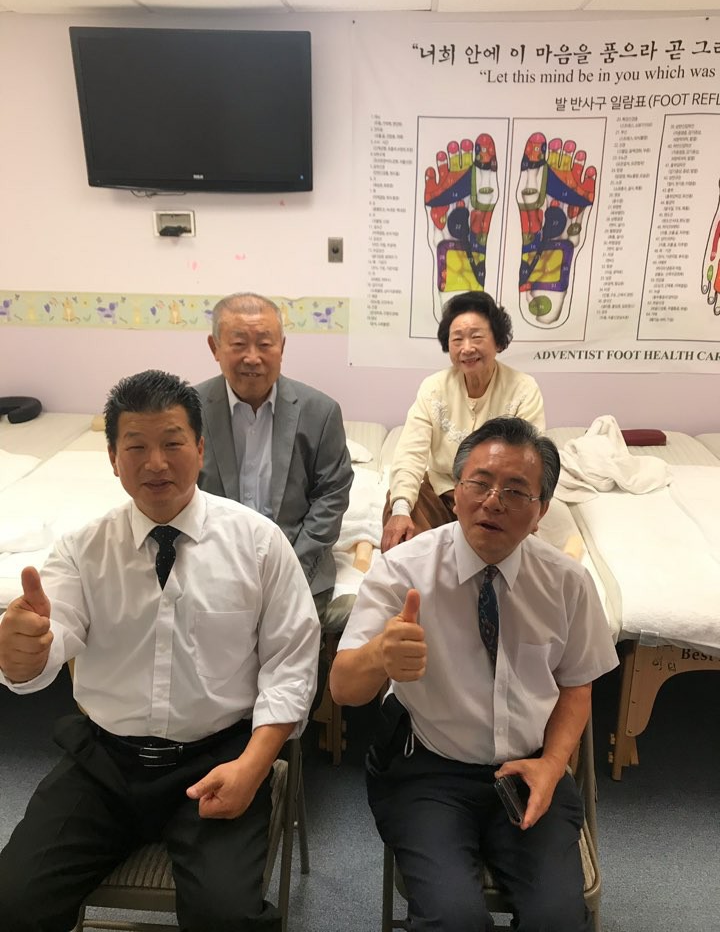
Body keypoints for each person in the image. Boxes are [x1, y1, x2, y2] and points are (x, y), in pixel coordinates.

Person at [0, 370, 320, 932]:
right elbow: (51, 641)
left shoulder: (257, 542)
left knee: (226, 918)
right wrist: (21, 655)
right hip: (104, 763)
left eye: (172, 443)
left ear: (200, 449)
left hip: (217, 758)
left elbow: (291, 665)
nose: (155, 464)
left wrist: (253, 766)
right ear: (112, 458)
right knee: (12, 903)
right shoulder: (82, 549)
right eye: (136, 447)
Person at [331, 416, 618, 932]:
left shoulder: (567, 583)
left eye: (516, 491)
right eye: (479, 484)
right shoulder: (403, 571)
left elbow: (576, 685)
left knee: (557, 920)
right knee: (453, 920)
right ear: (456, 493)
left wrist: (553, 764)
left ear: (541, 511)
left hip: (530, 769)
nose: (493, 502)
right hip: (429, 771)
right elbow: (342, 689)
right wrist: (379, 657)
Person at [196, 293, 353, 631]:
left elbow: (331, 497)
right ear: (215, 347)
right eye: (239, 344)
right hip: (209, 563)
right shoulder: (189, 410)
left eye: (265, 344)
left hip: (297, 561)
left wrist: (290, 571)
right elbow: (180, 494)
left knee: (293, 650)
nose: (252, 358)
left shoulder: (321, 412)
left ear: (282, 347)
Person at [381, 291, 545, 552]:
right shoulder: (434, 387)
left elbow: (531, 460)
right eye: (457, 339)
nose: (466, 348)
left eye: (476, 337)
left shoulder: (523, 389)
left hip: (494, 498)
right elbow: (411, 452)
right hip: (441, 491)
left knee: (509, 545)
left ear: (498, 341)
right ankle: (427, 568)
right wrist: (401, 508)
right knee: (401, 512)